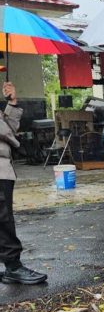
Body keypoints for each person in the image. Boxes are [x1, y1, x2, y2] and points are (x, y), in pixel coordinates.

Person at [0, 82, 47, 285]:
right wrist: (13, 139)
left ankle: (12, 266)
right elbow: (7, 133)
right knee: (3, 219)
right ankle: (13, 267)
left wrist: (11, 103)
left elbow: (9, 127)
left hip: (4, 168)